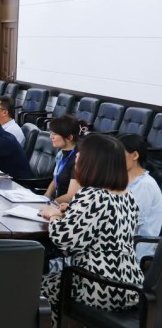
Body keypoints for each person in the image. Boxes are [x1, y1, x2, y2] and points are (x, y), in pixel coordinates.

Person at [40, 134, 144, 326]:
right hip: (129, 284)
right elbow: (102, 226)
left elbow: (64, 240)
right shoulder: (128, 196)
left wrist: (54, 215)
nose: (76, 157)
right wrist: (71, 211)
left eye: (81, 154)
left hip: (97, 284)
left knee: (38, 288)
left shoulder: (91, 195)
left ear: (93, 162)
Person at [118, 133, 162, 262]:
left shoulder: (145, 185)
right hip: (121, 240)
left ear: (135, 156)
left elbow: (132, 221)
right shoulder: (123, 179)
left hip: (135, 249)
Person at [42, 115, 82, 203]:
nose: (51, 137)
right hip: (56, 203)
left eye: (55, 134)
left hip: (66, 206)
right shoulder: (61, 153)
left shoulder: (77, 159)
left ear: (69, 138)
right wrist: (45, 197)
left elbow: (70, 196)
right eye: (51, 133)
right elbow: (56, 178)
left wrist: (50, 204)